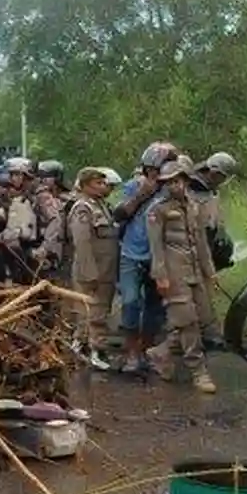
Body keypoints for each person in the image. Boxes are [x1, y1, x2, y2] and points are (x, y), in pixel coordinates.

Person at [146, 157, 217, 393]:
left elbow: (201, 242)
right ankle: (199, 371)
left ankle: (161, 352)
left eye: (177, 180)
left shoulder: (194, 205)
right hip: (173, 272)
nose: (173, 185)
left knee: (203, 318)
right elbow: (155, 247)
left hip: (195, 270)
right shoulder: (158, 210)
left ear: (185, 180)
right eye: (168, 182)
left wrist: (210, 271)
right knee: (187, 323)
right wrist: (160, 276)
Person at [113, 141, 180, 374]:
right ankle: (131, 351)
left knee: (155, 306)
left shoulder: (173, 191)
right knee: (130, 301)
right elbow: (119, 214)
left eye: (157, 168)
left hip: (159, 256)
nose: (152, 173)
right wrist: (141, 196)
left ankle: (147, 349)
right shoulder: (133, 186)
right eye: (149, 168)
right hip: (131, 253)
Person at [68, 167, 120, 371]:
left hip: (106, 269)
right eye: (98, 183)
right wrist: (90, 273)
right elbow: (82, 243)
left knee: (99, 310)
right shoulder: (83, 208)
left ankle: (81, 345)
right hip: (92, 271)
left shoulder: (102, 206)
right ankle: (95, 350)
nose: (103, 187)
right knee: (92, 312)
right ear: (86, 185)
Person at [190, 151, 239, 347]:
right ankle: (191, 338)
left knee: (206, 292)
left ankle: (205, 334)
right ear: (215, 173)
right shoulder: (192, 189)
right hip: (192, 249)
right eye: (222, 177)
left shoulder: (211, 190)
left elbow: (215, 220)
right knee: (194, 295)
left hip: (209, 247)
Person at [0, 157, 38, 284]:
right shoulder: (17, 198)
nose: (12, 178)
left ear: (26, 175)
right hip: (18, 250)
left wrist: (46, 247)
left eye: (15, 174)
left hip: (34, 251)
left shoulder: (39, 197)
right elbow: (12, 226)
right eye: (11, 174)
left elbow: (54, 224)